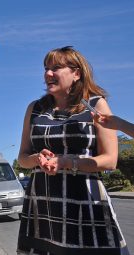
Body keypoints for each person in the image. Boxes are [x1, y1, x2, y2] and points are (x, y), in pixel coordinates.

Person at [16, 46, 129, 254]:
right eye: (46, 68)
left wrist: (67, 162)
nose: (48, 73)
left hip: (84, 201)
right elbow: (22, 158)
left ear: (76, 73)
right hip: (43, 205)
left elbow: (110, 160)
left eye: (56, 68)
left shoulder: (96, 105)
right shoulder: (34, 109)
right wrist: (37, 158)